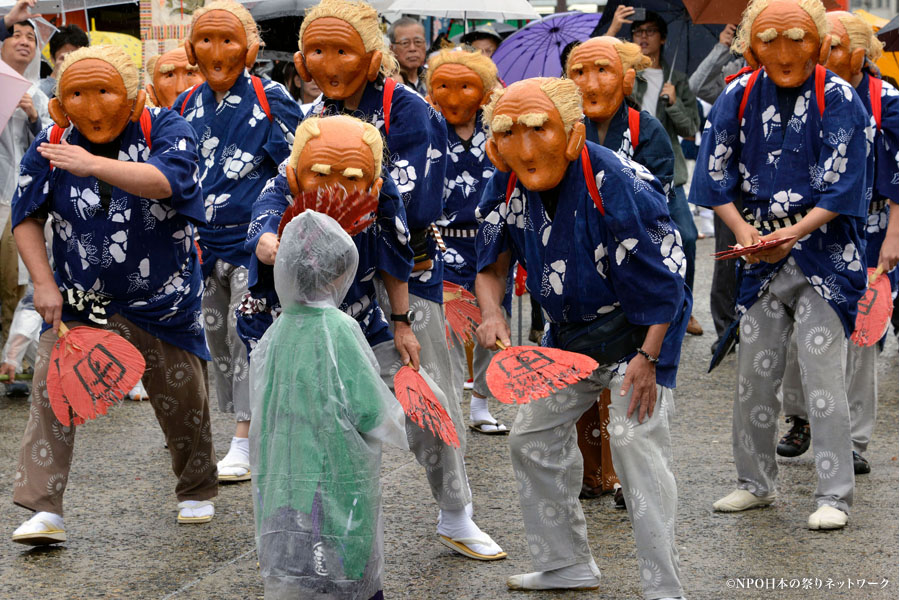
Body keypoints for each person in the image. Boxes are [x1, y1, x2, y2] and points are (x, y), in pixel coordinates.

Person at [296, 0, 504, 561]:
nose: (330, 63)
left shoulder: (408, 109)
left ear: (371, 56)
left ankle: (456, 513)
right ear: (302, 59)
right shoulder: (309, 114)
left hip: (407, 277)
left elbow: (409, 205)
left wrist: (398, 306)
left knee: (426, 397)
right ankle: (336, 524)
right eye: (318, 51)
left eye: (342, 51)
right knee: (326, 407)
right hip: (331, 283)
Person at [475, 77, 689, 599]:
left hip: (639, 331)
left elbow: (667, 278)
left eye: (539, 131)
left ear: (572, 136)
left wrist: (648, 358)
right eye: (510, 135)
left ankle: (664, 587)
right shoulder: (504, 180)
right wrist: (491, 313)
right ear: (495, 144)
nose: (525, 149)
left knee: (635, 444)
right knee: (530, 438)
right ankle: (565, 564)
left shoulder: (614, 178)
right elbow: (490, 263)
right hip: (567, 337)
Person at [10, 44, 217, 544]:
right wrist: (42, 282)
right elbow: (25, 215)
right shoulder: (53, 138)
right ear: (61, 103)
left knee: (182, 397)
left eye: (105, 92)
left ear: (132, 97)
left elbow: (167, 182)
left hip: (161, 299)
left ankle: (195, 487)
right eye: (78, 93)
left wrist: (91, 165)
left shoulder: (166, 128)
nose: (93, 106)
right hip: (81, 300)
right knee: (52, 394)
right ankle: (44, 508)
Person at [692, 0, 870, 531]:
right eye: (770, 39)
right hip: (759, 253)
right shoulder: (737, 93)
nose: (784, 51)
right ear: (752, 47)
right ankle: (754, 482)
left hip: (824, 254)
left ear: (817, 42)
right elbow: (713, 175)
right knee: (754, 375)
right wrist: (745, 231)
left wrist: (794, 232)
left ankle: (835, 494)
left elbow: (845, 184)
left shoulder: (837, 96)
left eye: (797, 38)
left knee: (821, 378)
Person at [250, 210, 408, 600]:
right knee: (345, 566)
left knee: (300, 569)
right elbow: (371, 409)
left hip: (287, 482)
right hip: (334, 477)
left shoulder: (278, 331)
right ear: (340, 275)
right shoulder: (340, 329)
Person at [175, 0, 303, 483]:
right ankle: (245, 429)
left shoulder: (272, 98)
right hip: (201, 247)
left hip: (253, 244)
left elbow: (292, 172)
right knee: (216, 343)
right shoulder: (185, 105)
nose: (216, 50)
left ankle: (244, 441)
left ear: (251, 49)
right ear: (191, 49)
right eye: (205, 40)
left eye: (227, 40)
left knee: (244, 336)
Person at [776, 10, 899, 476]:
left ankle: (853, 439)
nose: (822, 51)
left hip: (867, 233)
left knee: (862, 336)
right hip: (807, 231)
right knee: (792, 330)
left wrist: (894, 235)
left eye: (835, 44)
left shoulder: (885, 99)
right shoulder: (795, 93)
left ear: (861, 54)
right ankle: (802, 417)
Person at [565, 36, 677, 505]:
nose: (590, 83)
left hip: (633, 266)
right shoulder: (563, 125)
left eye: (603, 72)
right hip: (574, 268)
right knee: (580, 380)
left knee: (631, 381)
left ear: (628, 80)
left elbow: (656, 200)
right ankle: (595, 474)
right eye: (578, 73)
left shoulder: (644, 127)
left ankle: (636, 483)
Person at [424, 48, 509, 435]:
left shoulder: (498, 129)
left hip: (490, 240)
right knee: (450, 330)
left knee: (494, 323)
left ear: (484, 92)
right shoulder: (425, 126)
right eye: (444, 86)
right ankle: (450, 406)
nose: (455, 97)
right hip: (443, 242)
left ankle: (481, 402)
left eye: (466, 87)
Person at [625, 10, 703, 336]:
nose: (643, 37)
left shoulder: (678, 80)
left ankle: (684, 307)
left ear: (663, 38)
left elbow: (690, 130)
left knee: (685, 236)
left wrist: (672, 102)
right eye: (638, 32)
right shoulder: (627, 77)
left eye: (650, 31)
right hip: (629, 171)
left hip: (668, 176)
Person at [0, 19, 49, 349]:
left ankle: (13, 359)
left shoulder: (39, 95)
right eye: (15, 35)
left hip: (21, 199)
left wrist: (33, 118)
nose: (23, 41)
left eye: (30, 37)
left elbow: (47, 147)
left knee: (16, 280)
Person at [39, 24, 89, 99]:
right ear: (53, 58)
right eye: (66, 57)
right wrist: (55, 76)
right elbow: (36, 104)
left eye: (76, 56)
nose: (72, 61)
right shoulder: (38, 87)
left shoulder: (93, 83)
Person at [388, 16, 427, 96]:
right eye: (405, 43)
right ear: (391, 48)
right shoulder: (388, 82)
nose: (412, 48)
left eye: (418, 42)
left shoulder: (432, 77)